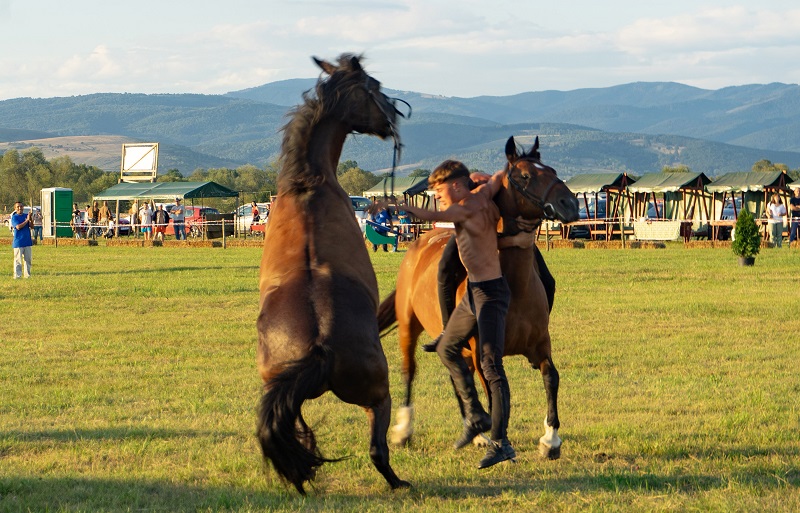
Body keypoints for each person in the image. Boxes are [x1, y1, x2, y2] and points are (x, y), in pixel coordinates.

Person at [395, 160, 516, 469]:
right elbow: (498, 179)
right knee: (447, 347)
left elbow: (431, 215)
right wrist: (510, 164)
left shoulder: (463, 209)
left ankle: (501, 443)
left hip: (489, 294)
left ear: (458, 185)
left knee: (490, 366)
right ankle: (476, 415)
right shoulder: (484, 195)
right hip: (474, 293)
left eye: (438, 189)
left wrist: (396, 205)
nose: (436, 195)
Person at [10, 201, 33, 278]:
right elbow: (18, 227)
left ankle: (27, 275)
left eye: (21, 206)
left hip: (27, 241)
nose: (20, 208)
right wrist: (26, 220)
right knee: (18, 261)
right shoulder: (14, 217)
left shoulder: (26, 216)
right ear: (15, 208)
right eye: (18, 207)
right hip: (18, 242)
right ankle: (17, 275)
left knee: (28, 260)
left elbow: (32, 226)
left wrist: (30, 219)